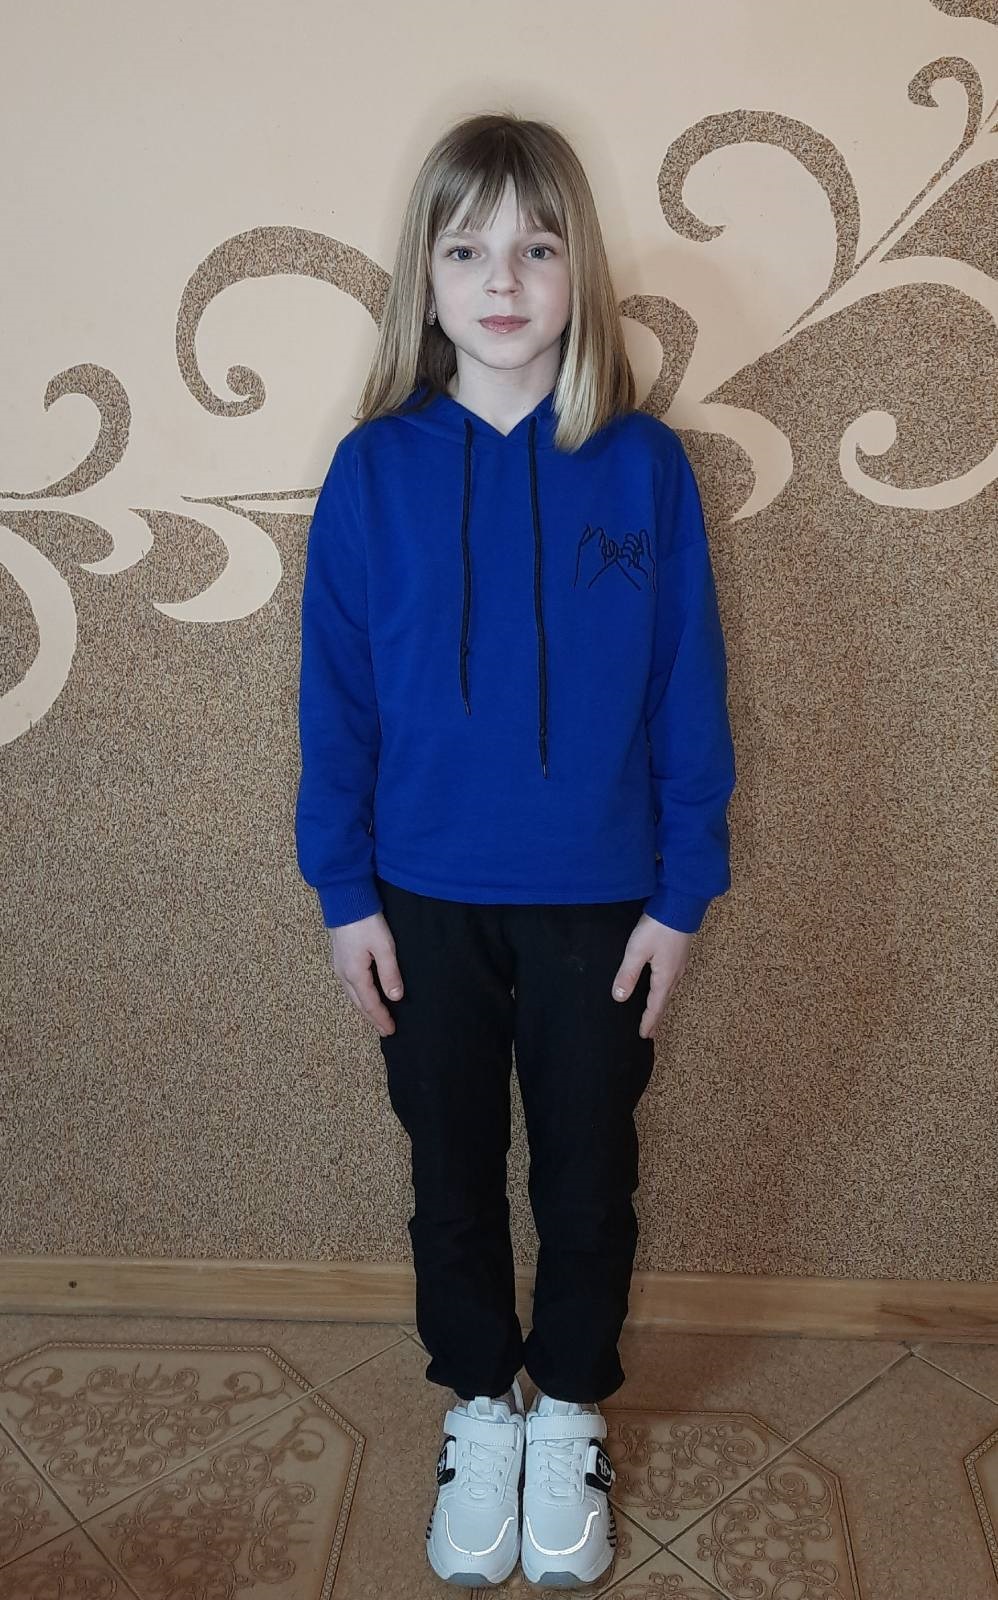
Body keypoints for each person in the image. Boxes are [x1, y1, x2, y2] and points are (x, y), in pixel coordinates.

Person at [295, 110, 736, 1590]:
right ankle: (483, 1405)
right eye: (469, 248)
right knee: (451, 1169)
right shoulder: (373, 471)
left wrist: (682, 897)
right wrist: (343, 892)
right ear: (424, 278)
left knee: (590, 1175)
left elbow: (685, 688)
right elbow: (337, 700)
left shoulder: (643, 468)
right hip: (418, 902)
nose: (503, 280)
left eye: (537, 247)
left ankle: (574, 1412)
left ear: (577, 272)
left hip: (601, 907)